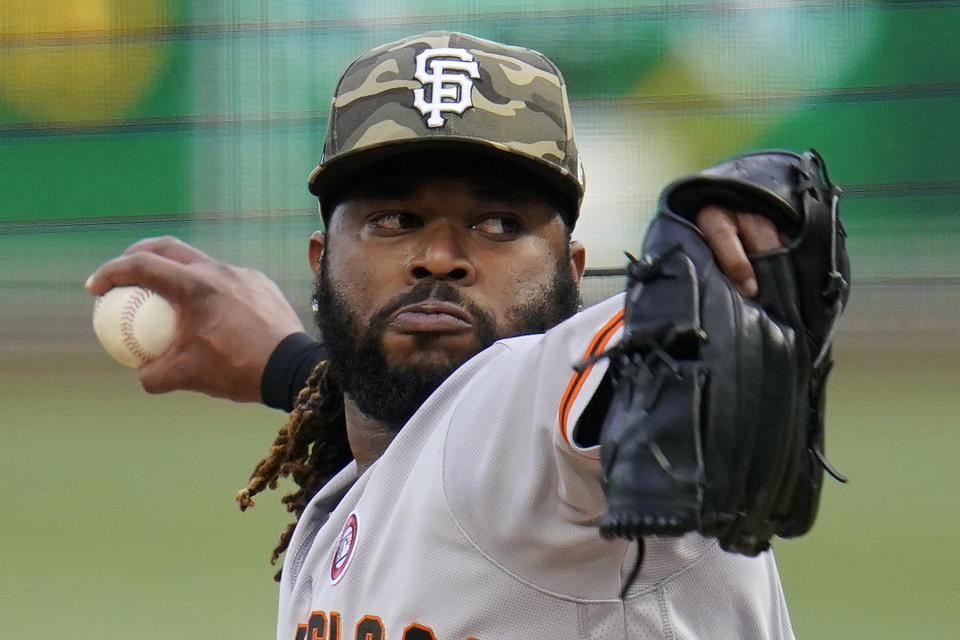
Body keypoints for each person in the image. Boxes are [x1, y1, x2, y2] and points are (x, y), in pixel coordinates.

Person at [87, 32, 798, 639]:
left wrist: (724, 258)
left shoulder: (562, 435)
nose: (439, 256)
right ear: (321, 261)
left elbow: (621, 366)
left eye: (498, 225)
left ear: (571, 273)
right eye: (394, 220)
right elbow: (425, 445)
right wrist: (287, 366)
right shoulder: (371, 481)